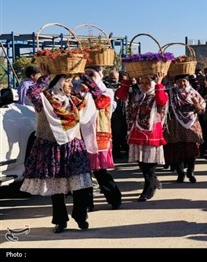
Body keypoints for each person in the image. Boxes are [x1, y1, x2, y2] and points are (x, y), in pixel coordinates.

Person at [20, 65, 102, 233]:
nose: (72, 85)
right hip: (51, 146)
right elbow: (32, 93)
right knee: (56, 188)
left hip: (73, 146)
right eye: (68, 81)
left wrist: (83, 76)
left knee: (80, 185)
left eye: (72, 81)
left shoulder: (74, 99)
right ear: (58, 83)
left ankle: (80, 217)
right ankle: (60, 220)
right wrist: (46, 76)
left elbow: (98, 95)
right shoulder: (44, 100)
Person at [116, 72, 168, 202]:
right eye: (142, 83)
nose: (144, 86)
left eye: (147, 83)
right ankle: (153, 182)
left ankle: (148, 189)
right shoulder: (138, 96)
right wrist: (126, 81)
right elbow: (121, 96)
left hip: (152, 132)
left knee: (149, 164)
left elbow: (162, 100)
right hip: (137, 131)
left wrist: (159, 83)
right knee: (142, 163)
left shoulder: (157, 94)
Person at [80, 67, 122, 211]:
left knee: (100, 171)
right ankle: (87, 203)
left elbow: (100, 103)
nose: (89, 78)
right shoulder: (81, 92)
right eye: (86, 75)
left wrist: (87, 83)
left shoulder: (107, 92)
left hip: (99, 134)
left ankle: (114, 198)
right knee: (84, 172)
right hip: (82, 134)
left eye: (91, 75)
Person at [164, 74, 206, 183]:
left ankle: (191, 171)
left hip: (191, 123)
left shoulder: (194, 93)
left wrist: (196, 104)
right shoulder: (170, 92)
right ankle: (180, 173)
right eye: (179, 81)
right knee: (177, 148)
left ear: (188, 82)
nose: (182, 84)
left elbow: (201, 110)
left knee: (191, 148)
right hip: (175, 123)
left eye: (184, 81)